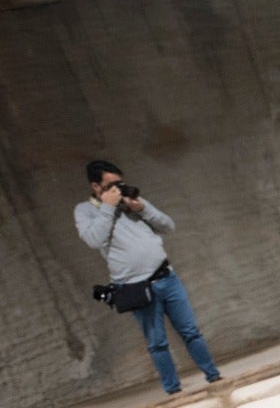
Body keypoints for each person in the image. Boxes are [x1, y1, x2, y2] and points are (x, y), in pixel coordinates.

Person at [75, 159, 221, 395]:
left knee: (191, 331)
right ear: (96, 186)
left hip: (167, 277)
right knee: (157, 343)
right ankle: (173, 391)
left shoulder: (130, 202)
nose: (117, 189)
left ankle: (214, 376)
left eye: (119, 183)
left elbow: (168, 225)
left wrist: (141, 208)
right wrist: (108, 207)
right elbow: (94, 239)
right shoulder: (85, 210)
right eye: (111, 185)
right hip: (137, 287)